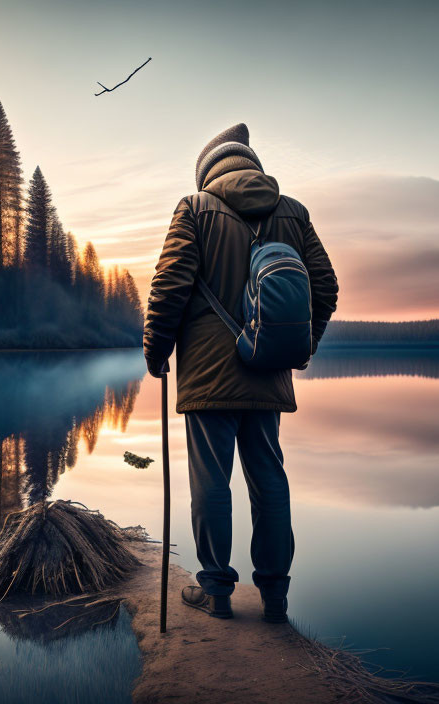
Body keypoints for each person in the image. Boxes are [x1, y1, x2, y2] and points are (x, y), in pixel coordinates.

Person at [143, 123, 338, 623]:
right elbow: (326, 286)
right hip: (268, 370)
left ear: (208, 171)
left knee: (212, 482)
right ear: (250, 163)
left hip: (208, 375)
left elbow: (171, 285)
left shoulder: (195, 208)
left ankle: (216, 591)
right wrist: (301, 346)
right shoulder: (292, 212)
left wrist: (156, 349)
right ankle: (275, 594)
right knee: (269, 478)